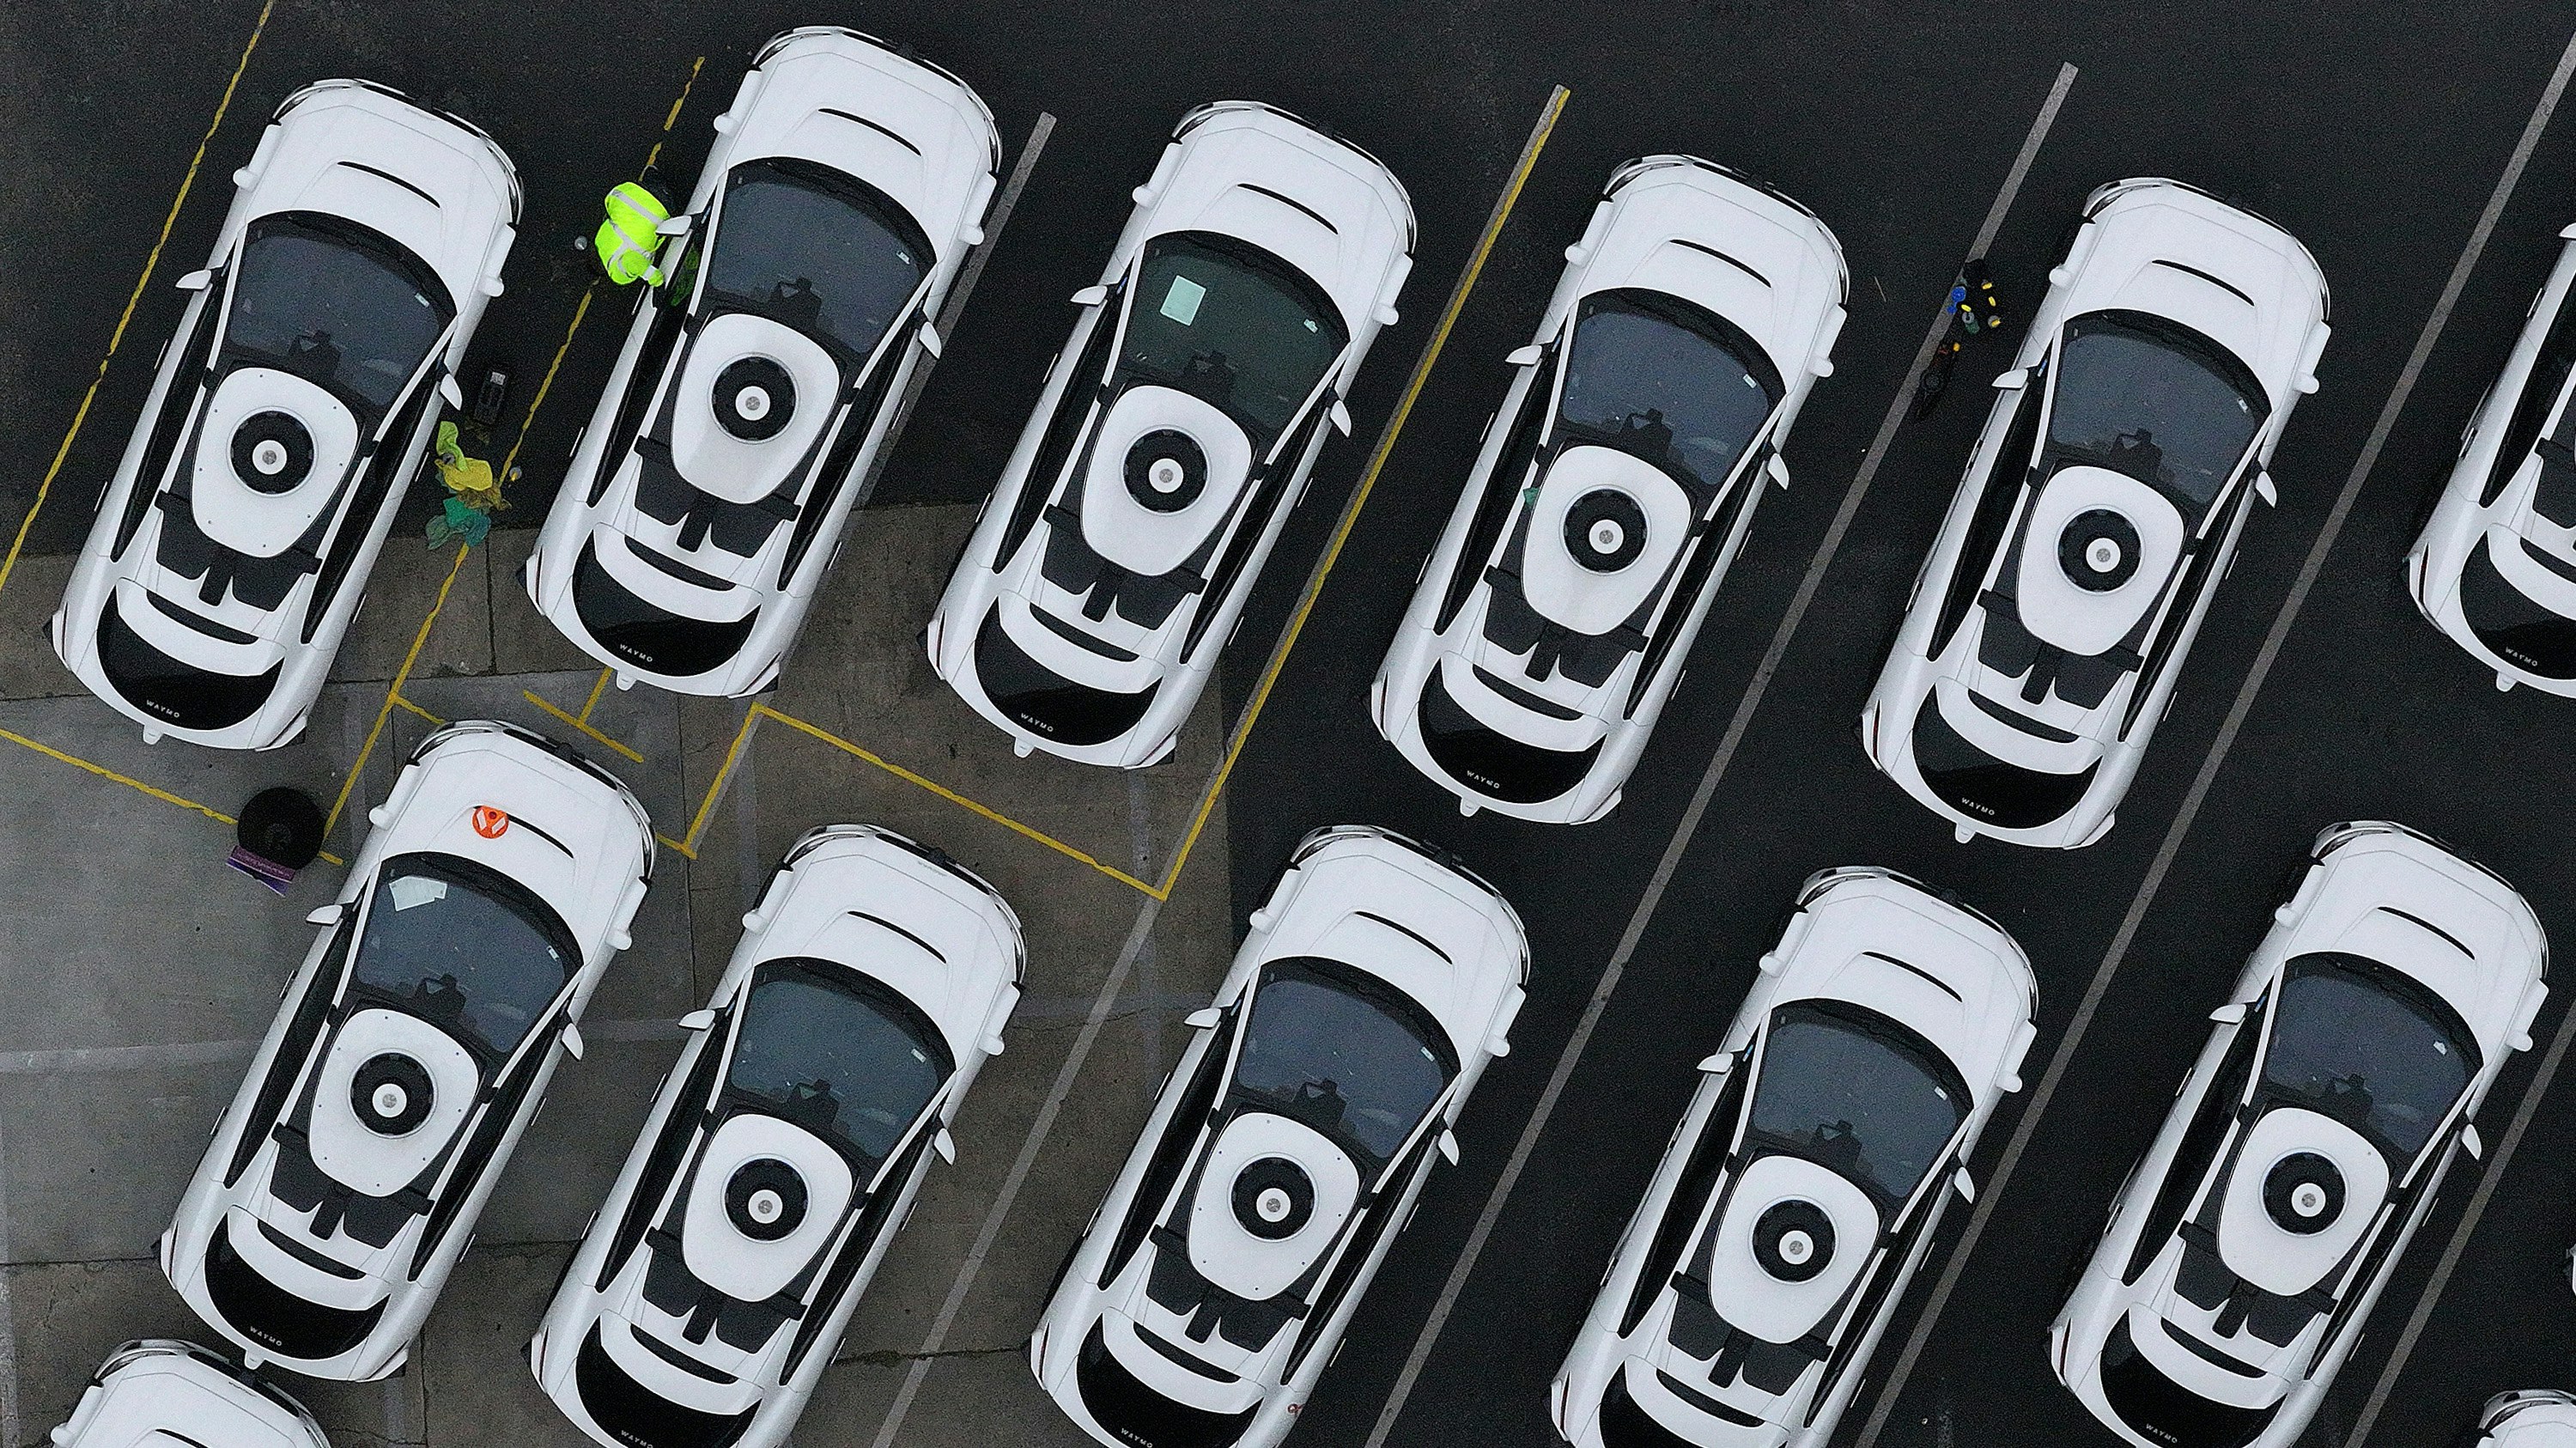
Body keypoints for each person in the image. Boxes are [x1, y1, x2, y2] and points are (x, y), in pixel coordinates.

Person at [593, 181, 671, 287]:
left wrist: (657, 281)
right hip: (631, 191)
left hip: (660, 209)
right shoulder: (600, 240)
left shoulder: (616, 274)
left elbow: (631, 260)